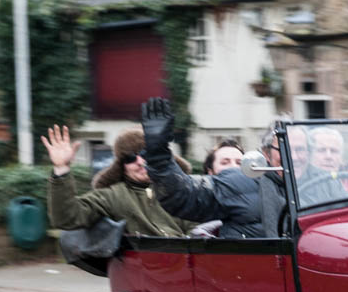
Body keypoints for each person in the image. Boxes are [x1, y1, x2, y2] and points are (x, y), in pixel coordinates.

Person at [142, 98, 281, 238]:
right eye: (225, 163)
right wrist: (159, 155)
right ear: (266, 153)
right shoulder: (235, 183)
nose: (294, 156)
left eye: (239, 162)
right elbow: (183, 194)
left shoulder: (302, 186)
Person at [43, 124, 193, 236]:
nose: (141, 162)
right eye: (131, 158)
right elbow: (67, 218)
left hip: (184, 268)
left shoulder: (181, 190)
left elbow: (202, 227)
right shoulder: (112, 195)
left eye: (146, 153)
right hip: (139, 272)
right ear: (122, 165)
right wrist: (62, 169)